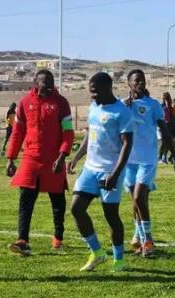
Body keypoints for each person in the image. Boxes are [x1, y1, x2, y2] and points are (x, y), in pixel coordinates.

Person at [67, 72, 134, 272]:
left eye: (95, 92)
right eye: (91, 92)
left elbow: (126, 145)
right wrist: (77, 157)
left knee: (110, 215)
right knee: (76, 208)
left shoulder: (121, 112)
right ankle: (96, 252)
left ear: (108, 88)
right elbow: (90, 135)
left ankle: (119, 260)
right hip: (90, 168)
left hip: (110, 170)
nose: (93, 95)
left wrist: (115, 174)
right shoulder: (94, 107)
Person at [5, 69, 74, 255]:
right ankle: (22, 240)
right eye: (45, 82)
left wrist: (62, 155)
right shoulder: (25, 103)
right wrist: (11, 158)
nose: (50, 85)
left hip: (54, 159)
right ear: (36, 83)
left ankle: (58, 237)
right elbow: (18, 131)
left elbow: (68, 132)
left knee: (58, 201)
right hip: (30, 159)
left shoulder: (62, 103)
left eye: (51, 81)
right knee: (25, 201)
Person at [123, 69, 175, 257]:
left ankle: (148, 241)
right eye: (136, 81)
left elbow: (165, 132)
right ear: (128, 83)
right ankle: (139, 237)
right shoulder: (122, 105)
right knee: (135, 201)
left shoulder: (153, 105)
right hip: (128, 160)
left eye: (142, 80)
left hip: (147, 159)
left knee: (140, 197)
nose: (140, 83)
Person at [158, 92, 175, 164]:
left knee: (173, 142)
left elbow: (173, 118)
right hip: (164, 126)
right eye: (166, 99)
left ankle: (170, 157)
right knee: (164, 143)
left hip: (172, 126)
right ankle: (161, 157)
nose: (167, 100)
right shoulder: (161, 107)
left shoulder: (171, 108)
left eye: (168, 98)